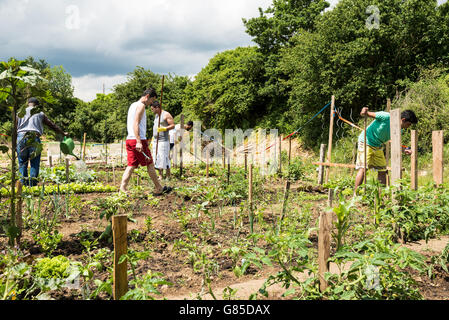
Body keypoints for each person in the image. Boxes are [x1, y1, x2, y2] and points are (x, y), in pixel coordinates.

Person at [119, 89, 172, 196]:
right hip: (137, 139)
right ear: (147, 96)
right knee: (150, 164)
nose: (151, 103)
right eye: (152, 99)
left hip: (130, 139)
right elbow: (136, 123)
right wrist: (138, 141)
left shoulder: (132, 105)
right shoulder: (141, 105)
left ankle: (122, 189)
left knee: (131, 165)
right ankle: (159, 188)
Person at [354, 107, 418, 193]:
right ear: (403, 120)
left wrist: (404, 150)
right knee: (363, 168)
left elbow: (394, 143)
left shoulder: (399, 130)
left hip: (378, 146)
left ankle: (382, 195)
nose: (408, 127)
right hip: (366, 141)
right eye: (409, 124)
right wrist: (364, 112)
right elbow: (366, 114)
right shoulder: (386, 117)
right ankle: (355, 195)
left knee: (382, 170)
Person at [17, 97, 68, 187]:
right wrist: (63, 133)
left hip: (21, 137)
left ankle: (23, 185)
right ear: (37, 105)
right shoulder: (40, 113)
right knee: (34, 162)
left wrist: (15, 143)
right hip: (34, 137)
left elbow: (14, 128)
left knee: (22, 162)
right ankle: (32, 186)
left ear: (28, 104)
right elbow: (52, 125)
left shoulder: (20, 113)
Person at [150, 101, 175, 180]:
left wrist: (164, 128)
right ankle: (160, 175)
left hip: (163, 141)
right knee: (157, 157)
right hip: (156, 140)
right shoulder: (156, 116)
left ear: (157, 107)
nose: (152, 111)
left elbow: (172, 125)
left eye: (152, 109)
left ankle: (168, 175)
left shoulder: (166, 114)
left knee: (165, 157)